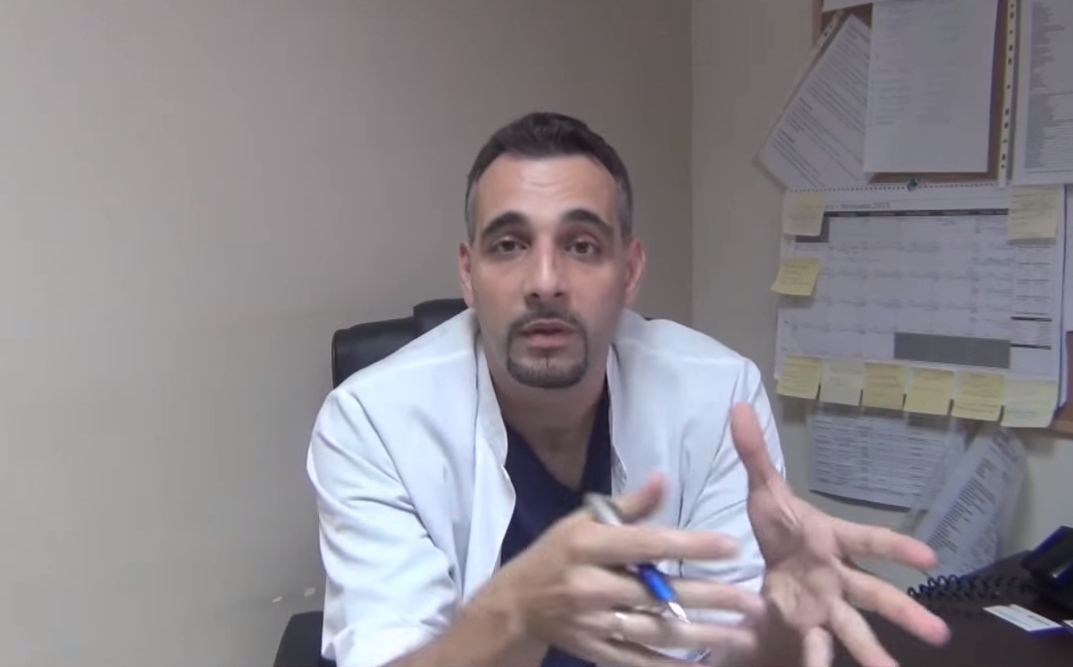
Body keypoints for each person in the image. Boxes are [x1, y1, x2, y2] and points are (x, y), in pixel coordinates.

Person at [306, 111, 951, 667]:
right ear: (469, 273)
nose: (546, 281)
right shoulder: (372, 422)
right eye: (509, 244)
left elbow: (730, 652)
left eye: (582, 245)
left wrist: (781, 621)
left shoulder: (716, 398)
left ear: (630, 271)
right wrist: (517, 612)